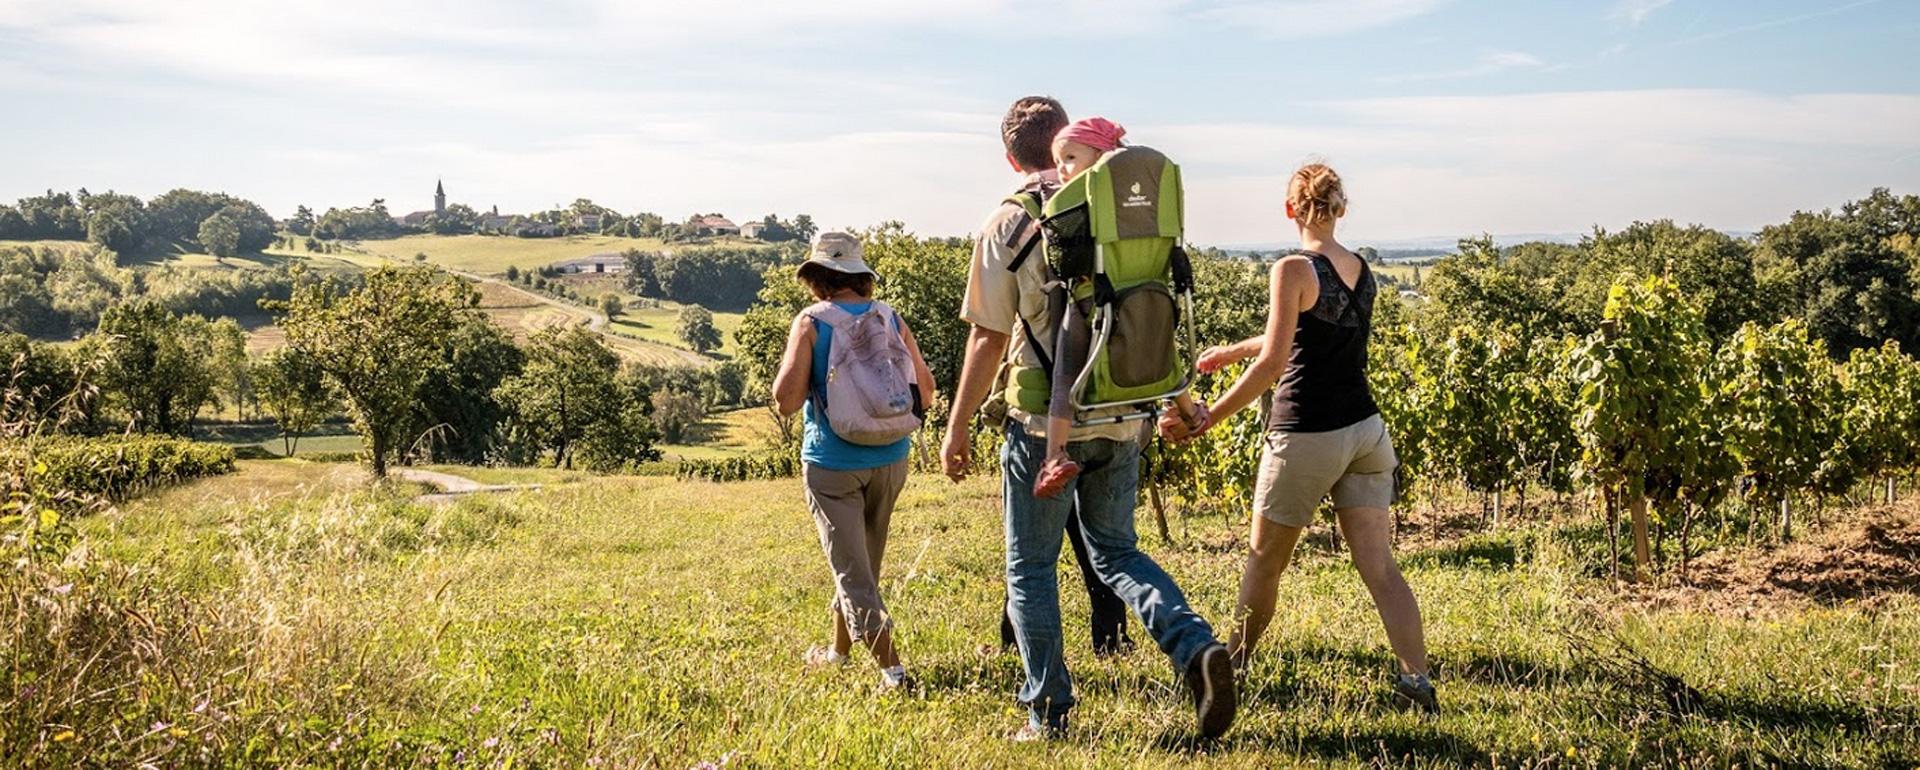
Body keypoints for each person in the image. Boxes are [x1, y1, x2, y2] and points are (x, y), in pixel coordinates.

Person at [944, 96, 1237, 742]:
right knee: (1117, 550)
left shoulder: (1009, 222)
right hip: (1125, 411)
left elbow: (987, 339)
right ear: (1061, 142)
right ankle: (1194, 646)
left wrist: (957, 424)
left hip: (1044, 423)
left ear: (1010, 155)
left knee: (1031, 566)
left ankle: (1046, 712)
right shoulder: (1116, 209)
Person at [1161, 163, 1437, 713]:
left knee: (1264, 562)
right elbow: (1307, 329)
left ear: (1290, 209)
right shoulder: (1361, 268)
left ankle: (1228, 675)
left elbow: (1275, 361)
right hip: (1366, 433)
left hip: (1307, 434)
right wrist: (1230, 352)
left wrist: (1211, 414)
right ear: (1341, 208)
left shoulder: (1291, 268)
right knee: (1380, 567)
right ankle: (1417, 683)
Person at [773, 232, 937, 692]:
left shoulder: (810, 321)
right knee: (860, 564)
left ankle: (895, 674)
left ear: (817, 278)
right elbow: (926, 390)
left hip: (833, 462)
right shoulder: (890, 316)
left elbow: (786, 400)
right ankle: (838, 653)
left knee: (852, 570)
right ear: (860, 276)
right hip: (892, 459)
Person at [1033, 116, 1205, 499]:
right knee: (1166, 351)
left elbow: (1058, 250)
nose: (1061, 169)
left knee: (1064, 375)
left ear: (1100, 157)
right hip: (1151, 296)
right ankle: (1190, 411)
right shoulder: (1150, 205)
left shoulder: (1079, 197)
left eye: (1070, 157)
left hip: (1093, 302)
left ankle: (1054, 456)